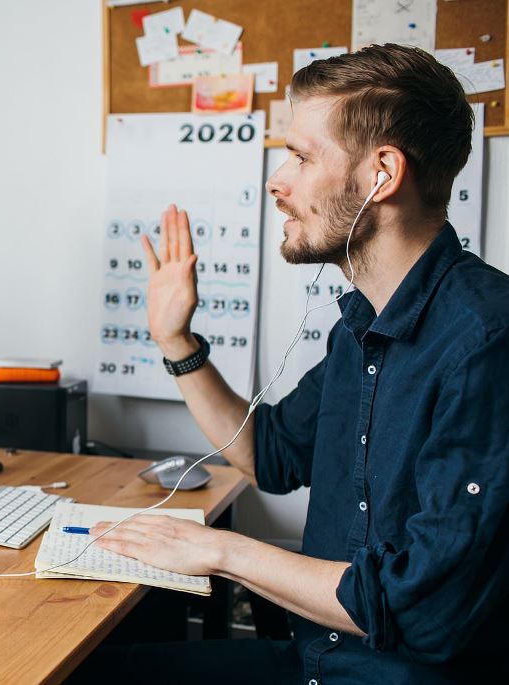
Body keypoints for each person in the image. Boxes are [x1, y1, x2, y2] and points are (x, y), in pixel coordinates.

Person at [70, 44, 509, 684]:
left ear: (382, 174)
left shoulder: (485, 343)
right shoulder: (359, 326)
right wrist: (176, 342)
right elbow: (269, 455)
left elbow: (425, 612)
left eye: (301, 157)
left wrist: (218, 551)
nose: (277, 181)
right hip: (316, 660)